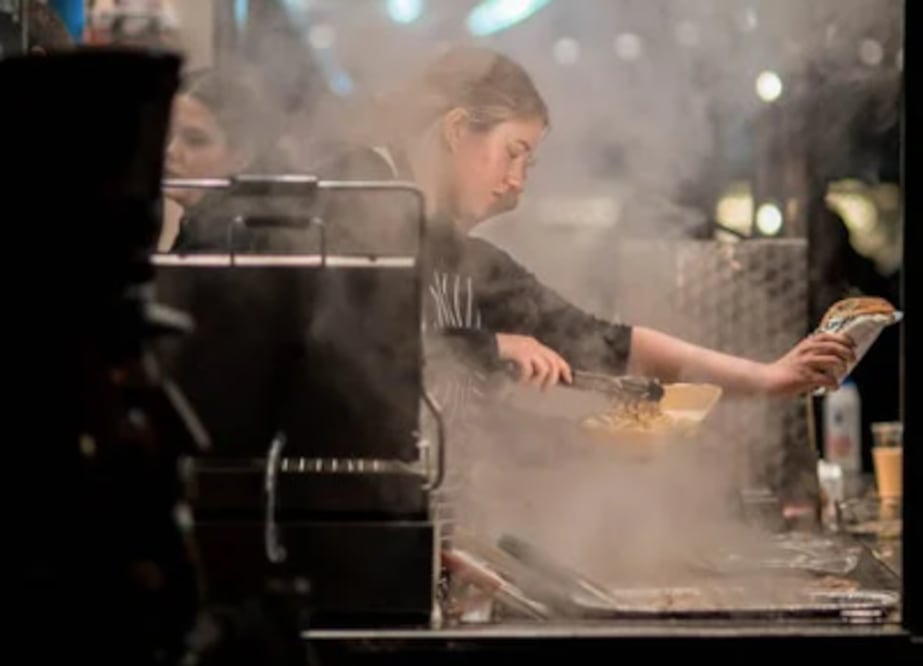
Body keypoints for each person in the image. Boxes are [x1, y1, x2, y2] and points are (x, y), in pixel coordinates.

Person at [312, 46, 854, 408]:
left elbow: (601, 340)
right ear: (457, 129)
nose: (517, 184)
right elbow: (336, 338)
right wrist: (491, 345)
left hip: (432, 526)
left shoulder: (461, 256)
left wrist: (765, 378)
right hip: (343, 532)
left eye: (529, 163)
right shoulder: (360, 185)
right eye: (513, 153)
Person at [162, 67, 293, 253]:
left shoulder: (227, 237)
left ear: (241, 156)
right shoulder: (206, 222)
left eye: (195, 141)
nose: (171, 151)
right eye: (166, 135)